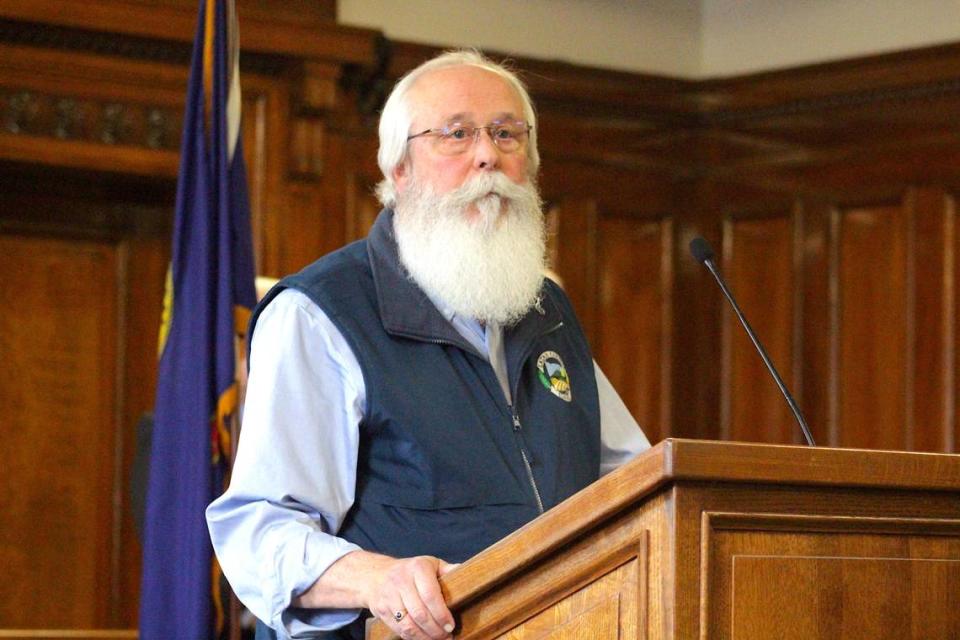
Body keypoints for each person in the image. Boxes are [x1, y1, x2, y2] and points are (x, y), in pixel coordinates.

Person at [206, 49, 650, 640]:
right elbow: (259, 528)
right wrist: (377, 581)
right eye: (457, 134)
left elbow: (636, 484)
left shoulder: (546, 309)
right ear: (399, 171)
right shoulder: (320, 313)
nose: (488, 154)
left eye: (507, 134)